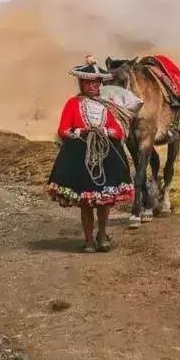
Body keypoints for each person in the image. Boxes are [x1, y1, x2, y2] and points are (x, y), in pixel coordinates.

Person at [48, 57, 134, 253]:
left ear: (100, 84)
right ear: (81, 83)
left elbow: (118, 132)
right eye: (88, 82)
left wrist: (105, 131)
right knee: (86, 203)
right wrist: (82, 132)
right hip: (80, 156)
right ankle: (88, 240)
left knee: (104, 202)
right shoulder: (72, 104)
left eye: (96, 82)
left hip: (106, 156)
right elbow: (63, 129)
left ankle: (102, 235)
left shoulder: (107, 106)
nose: (92, 86)